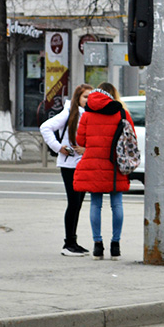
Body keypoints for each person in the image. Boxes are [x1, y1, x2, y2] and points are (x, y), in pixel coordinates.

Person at [73, 82, 136, 260]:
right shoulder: (122, 113)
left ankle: (97, 246)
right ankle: (115, 246)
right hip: (116, 165)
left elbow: (81, 141)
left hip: (94, 165)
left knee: (95, 204)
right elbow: (132, 139)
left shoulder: (87, 115)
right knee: (117, 204)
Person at [40, 84, 95, 256]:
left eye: (90, 97)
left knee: (77, 204)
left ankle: (73, 242)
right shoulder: (69, 113)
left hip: (85, 164)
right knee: (73, 203)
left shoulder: (91, 114)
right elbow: (45, 127)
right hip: (69, 165)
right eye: (85, 96)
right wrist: (58, 147)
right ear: (78, 97)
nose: (88, 100)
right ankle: (68, 244)